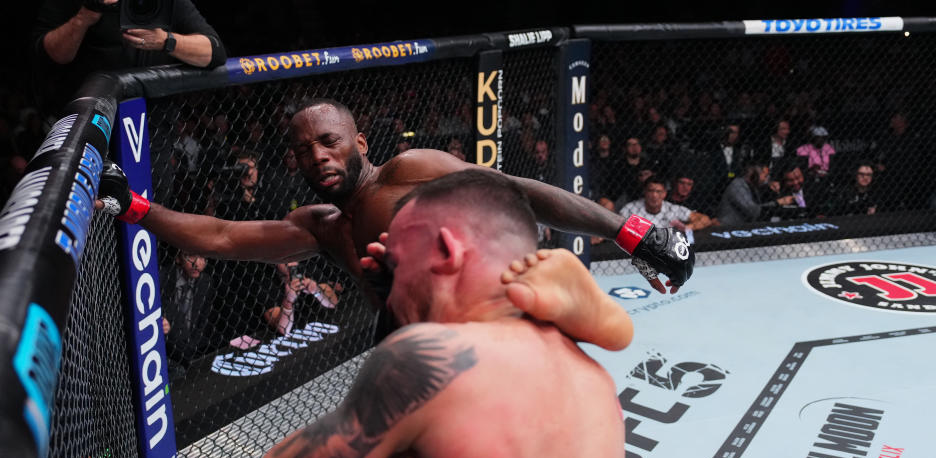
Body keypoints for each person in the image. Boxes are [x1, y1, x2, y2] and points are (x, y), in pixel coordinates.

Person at [245, 170, 627, 458]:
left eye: (399, 265)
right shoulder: (594, 383)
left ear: (446, 252)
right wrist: (406, 304)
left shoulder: (428, 363)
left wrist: (406, 332)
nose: (389, 281)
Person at [96, 98, 693, 346]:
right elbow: (225, 237)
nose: (318, 158)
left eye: (328, 143)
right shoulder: (322, 225)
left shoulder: (411, 170)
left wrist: (627, 230)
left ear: (357, 140)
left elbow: (519, 192)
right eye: (304, 152)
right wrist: (141, 209)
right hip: (405, 351)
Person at [32, 0, 227, 116]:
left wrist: (166, 41)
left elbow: (214, 52)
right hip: (88, 122)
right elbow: (52, 55)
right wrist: (84, 17)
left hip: (152, 122)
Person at [716, 163, 794, 226]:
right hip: (727, 228)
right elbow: (753, 211)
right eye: (765, 176)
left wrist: (770, 184)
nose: (766, 180)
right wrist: (778, 202)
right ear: (755, 175)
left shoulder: (753, 187)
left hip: (741, 228)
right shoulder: (738, 185)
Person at [619, 176, 692, 230]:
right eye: (651, 191)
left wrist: (687, 227)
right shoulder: (630, 208)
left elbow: (702, 219)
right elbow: (617, 226)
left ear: (664, 194)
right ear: (645, 192)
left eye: (658, 191)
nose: (654, 195)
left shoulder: (672, 208)